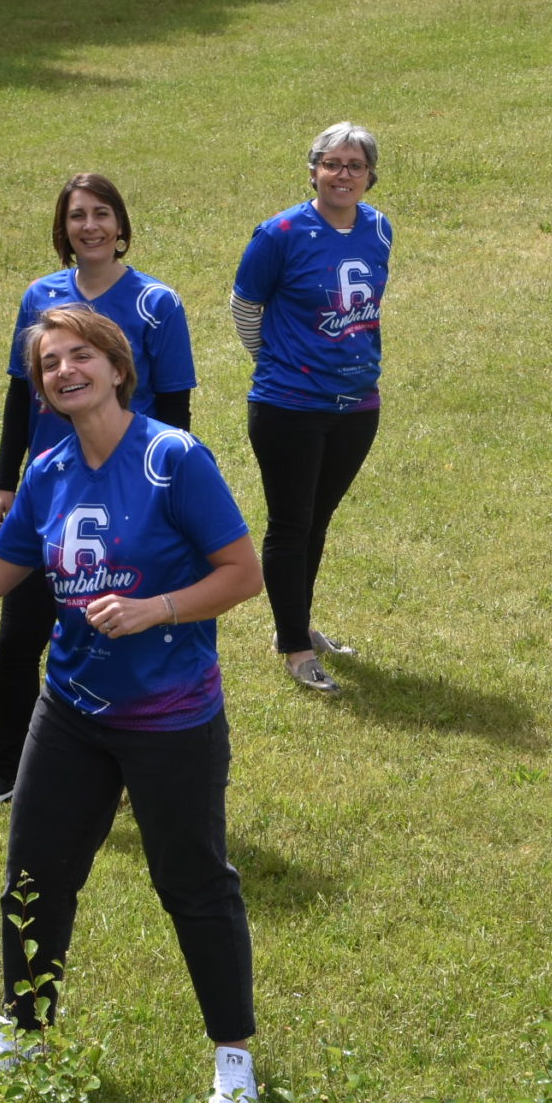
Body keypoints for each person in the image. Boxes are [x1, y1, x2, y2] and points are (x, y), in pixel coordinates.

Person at [0, 307, 267, 1103]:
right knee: (34, 877)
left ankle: (233, 1056)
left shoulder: (173, 459)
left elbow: (243, 573)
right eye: (50, 363)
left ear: (116, 367)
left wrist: (157, 608)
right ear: (40, 389)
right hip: (71, 710)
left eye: (80, 356)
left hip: (172, 717)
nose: (66, 370)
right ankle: (25, 1027)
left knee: (194, 883)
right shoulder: (49, 469)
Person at [0, 172, 197, 817]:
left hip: (127, 500)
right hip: (50, 497)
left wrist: (165, 500)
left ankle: (131, 767)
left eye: (101, 213)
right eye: (77, 215)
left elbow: (175, 411)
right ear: (63, 229)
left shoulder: (157, 303)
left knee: (119, 636)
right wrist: (6, 482)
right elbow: (19, 395)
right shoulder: (40, 297)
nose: (90, 226)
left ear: (121, 224)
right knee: (18, 637)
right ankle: (4, 772)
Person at [229, 123, 391, 696]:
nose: (343, 174)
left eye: (355, 165)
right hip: (288, 405)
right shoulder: (280, 233)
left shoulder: (379, 229)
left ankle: (294, 624)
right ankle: (296, 648)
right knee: (291, 524)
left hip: (357, 404)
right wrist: (277, 360)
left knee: (317, 521)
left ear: (370, 176)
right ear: (313, 170)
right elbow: (245, 305)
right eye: (332, 163)